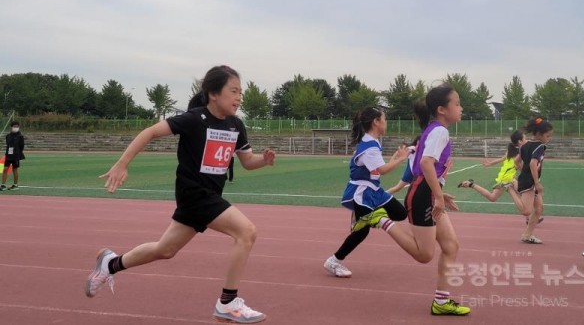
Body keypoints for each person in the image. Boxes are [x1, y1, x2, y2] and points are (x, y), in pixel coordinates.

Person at [84, 65, 276, 324]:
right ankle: (228, 303)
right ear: (213, 94)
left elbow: (247, 162)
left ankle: (110, 263)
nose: (239, 97)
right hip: (194, 193)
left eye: (240, 92)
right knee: (247, 232)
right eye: (233, 91)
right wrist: (122, 164)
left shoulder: (235, 125)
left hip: (207, 195)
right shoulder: (194, 119)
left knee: (165, 250)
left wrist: (263, 161)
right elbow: (150, 132)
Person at [351, 84, 470, 316]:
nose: (461, 108)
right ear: (442, 109)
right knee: (424, 255)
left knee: (451, 246)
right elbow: (425, 164)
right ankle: (380, 219)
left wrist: (439, 193)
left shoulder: (435, 130)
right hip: (423, 196)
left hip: (426, 192)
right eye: (457, 103)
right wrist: (436, 196)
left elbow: (423, 167)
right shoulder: (440, 131)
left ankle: (441, 302)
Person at [323, 106, 410, 278]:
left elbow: (377, 169)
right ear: (376, 122)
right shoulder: (369, 146)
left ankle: (366, 218)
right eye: (384, 120)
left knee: (400, 213)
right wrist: (400, 159)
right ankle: (334, 260)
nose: (386, 123)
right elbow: (382, 170)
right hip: (362, 193)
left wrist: (394, 158)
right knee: (362, 232)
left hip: (375, 191)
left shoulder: (372, 142)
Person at [458, 130, 526, 204]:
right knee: (524, 197)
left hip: (504, 178)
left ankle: (471, 184)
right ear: (520, 141)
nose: (526, 140)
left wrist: (490, 164)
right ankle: (531, 214)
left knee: (492, 197)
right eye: (525, 138)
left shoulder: (510, 153)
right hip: (508, 179)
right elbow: (522, 168)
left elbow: (501, 159)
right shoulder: (519, 154)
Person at [516, 117, 553, 244]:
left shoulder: (525, 145)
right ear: (539, 134)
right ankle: (509, 188)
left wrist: (524, 172)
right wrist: (537, 183)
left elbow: (517, 162)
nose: (549, 139)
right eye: (547, 136)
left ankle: (527, 234)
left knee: (538, 209)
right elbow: (533, 163)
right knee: (526, 210)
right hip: (530, 183)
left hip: (527, 179)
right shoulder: (540, 146)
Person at [1, 120, 25, 191]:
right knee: (5, 169)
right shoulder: (8, 136)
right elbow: (8, 144)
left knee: (15, 169)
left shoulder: (20, 136)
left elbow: (21, 146)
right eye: (14, 126)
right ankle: (3, 185)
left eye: (17, 126)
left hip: (16, 155)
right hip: (8, 155)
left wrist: (17, 153)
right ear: (11, 127)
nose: (16, 128)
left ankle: (15, 185)